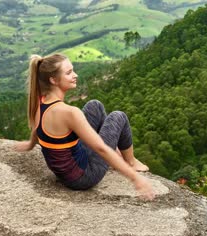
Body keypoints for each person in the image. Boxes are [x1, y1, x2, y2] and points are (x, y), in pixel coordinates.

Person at [14, 53, 155, 200]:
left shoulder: (40, 103)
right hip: (83, 177)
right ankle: (130, 162)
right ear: (53, 80)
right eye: (69, 73)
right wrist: (135, 179)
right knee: (118, 117)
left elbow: (37, 129)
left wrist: (30, 144)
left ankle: (119, 156)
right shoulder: (69, 113)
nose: (75, 75)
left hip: (69, 168)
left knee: (94, 105)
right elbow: (101, 148)